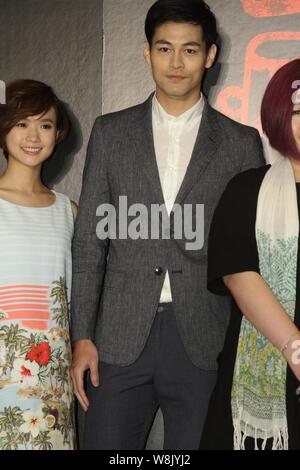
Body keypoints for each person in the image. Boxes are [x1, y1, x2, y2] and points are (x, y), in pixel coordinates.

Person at [71, 0, 264, 450]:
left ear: (210, 56)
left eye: (190, 50)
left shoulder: (240, 143)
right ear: (146, 52)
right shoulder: (110, 133)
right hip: (116, 340)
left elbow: (249, 253)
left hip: (204, 339)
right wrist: (82, 336)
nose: (176, 63)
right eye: (164, 48)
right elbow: (89, 245)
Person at [199, 59, 300, 450]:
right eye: (296, 112)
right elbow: (239, 275)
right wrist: (296, 351)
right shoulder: (247, 189)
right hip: (266, 370)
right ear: (277, 117)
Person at [0, 79, 77, 450]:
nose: (33, 136)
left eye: (44, 125)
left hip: (50, 380)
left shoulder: (69, 212)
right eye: (21, 124)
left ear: (57, 133)